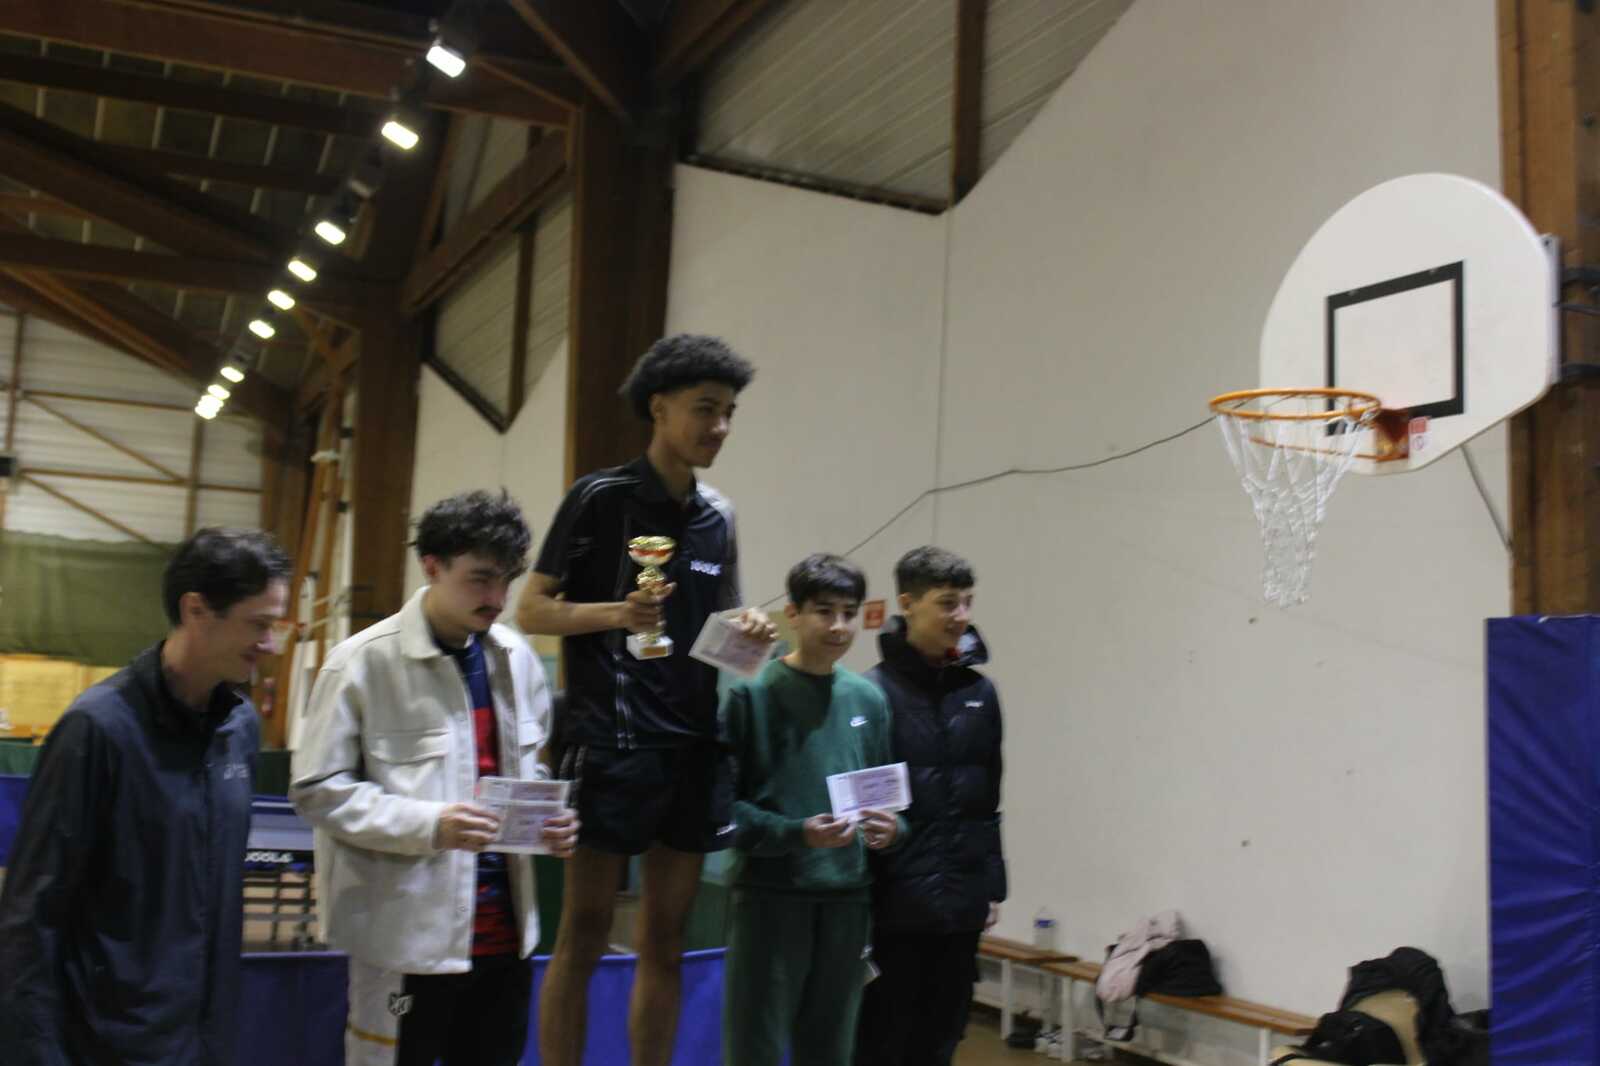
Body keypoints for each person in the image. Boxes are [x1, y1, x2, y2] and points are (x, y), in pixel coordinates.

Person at [517, 333, 777, 1066]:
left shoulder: (720, 515)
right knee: (585, 931)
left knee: (667, 937)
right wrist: (616, 613)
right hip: (611, 742)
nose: (719, 426)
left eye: (729, 413)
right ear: (659, 409)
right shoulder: (599, 498)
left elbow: (721, 627)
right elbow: (530, 610)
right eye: (705, 409)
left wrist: (750, 628)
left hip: (693, 745)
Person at [291, 490, 577, 1066]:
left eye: (506, 580)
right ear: (431, 566)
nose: (496, 598)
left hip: (506, 941)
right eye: (480, 579)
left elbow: (532, 766)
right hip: (407, 943)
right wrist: (430, 825)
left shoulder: (516, 659)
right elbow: (318, 790)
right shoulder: (361, 663)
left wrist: (546, 818)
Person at [0, 528, 290, 1065]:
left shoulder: (239, 728)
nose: (271, 645)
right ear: (196, 610)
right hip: (108, 1044)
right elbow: (31, 913)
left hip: (202, 1038)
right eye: (258, 624)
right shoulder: (97, 730)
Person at [720, 553, 905, 1066]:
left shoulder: (868, 700)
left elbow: (887, 802)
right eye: (825, 611)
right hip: (770, 898)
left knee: (830, 1049)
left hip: (848, 899)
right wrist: (796, 833)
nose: (839, 626)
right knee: (754, 1045)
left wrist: (894, 830)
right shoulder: (752, 693)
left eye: (849, 613)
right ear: (794, 614)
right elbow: (724, 811)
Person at [855, 546, 1007, 1066]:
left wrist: (991, 887)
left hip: (962, 905)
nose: (960, 616)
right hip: (893, 910)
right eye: (947, 603)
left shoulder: (981, 695)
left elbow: (988, 800)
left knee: (942, 1039)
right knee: (882, 1043)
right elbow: (865, 813)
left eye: (967, 602)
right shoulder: (871, 694)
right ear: (907, 604)